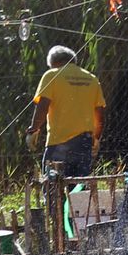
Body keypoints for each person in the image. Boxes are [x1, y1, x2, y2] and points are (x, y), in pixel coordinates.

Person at [26, 45, 105, 176]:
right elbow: (100, 115)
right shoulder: (91, 78)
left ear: (53, 63)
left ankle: (55, 197)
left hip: (58, 142)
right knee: (78, 188)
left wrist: (34, 129)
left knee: (53, 186)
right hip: (84, 142)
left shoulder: (52, 75)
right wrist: (96, 138)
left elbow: (43, 105)